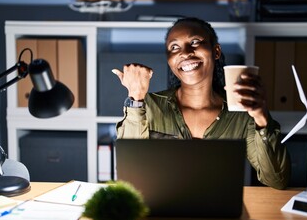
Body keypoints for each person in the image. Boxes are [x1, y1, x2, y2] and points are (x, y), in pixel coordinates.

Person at [112, 17, 290, 190]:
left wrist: (261, 117)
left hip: (219, 214)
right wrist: (135, 97)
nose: (185, 52)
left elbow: (276, 180)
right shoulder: (148, 105)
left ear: (216, 51)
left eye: (195, 42)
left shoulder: (242, 113)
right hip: (162, 213)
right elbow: (128, 173)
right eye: (174, 47)